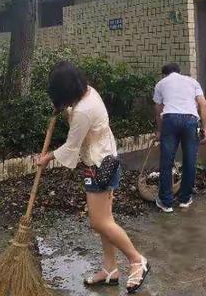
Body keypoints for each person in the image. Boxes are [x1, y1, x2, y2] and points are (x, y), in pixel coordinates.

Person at [36, 61, 150, 293]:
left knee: (99, 222)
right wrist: (64, 109)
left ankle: (137, 260)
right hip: (102, 158)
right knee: (104, 221)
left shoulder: (82, 112)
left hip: (100, 165)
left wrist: (46, 158)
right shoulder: (88, 92)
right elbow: (77, 119)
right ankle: (110, 269)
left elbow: (71, 147)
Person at [153, 63, 206, 213]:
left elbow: (159, 109)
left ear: (164, 74)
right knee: (190, 160)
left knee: (167, 161)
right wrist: (204, 127)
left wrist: (159, 130)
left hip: (170, 120)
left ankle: (166, 202)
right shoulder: (192, 81)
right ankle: (185, 199)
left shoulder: (161, 84)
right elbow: (203, 105)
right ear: (179, 72)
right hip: (191, 120)